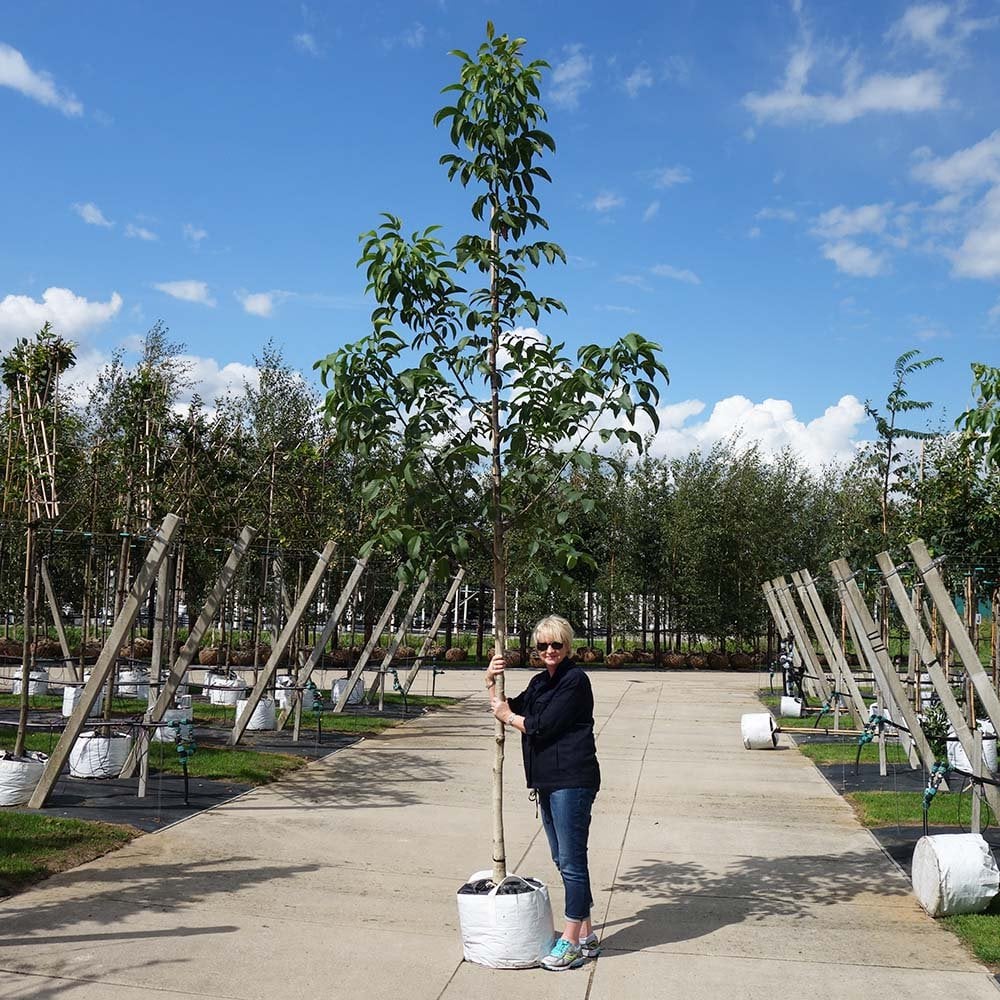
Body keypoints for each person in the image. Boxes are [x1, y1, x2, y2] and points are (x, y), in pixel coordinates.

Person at [485, 614, 601, 971]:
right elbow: (509, 706)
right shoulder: (540, 682)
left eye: (556, 645)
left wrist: (508, 717)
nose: (549, 651)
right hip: (548, 782)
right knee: (563, 859)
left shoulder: (575, 681)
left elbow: (540, 726)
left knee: (571, 860)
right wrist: (490, 680)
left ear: (568, 646)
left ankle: (569, 942)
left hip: (572, 780)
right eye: (542, 646)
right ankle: (586, 933)